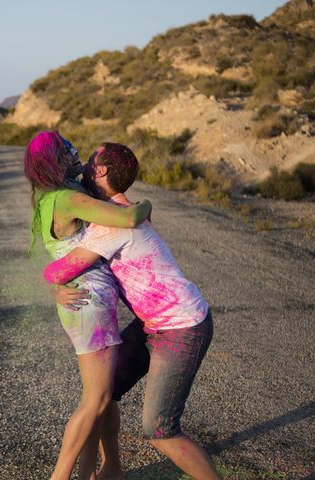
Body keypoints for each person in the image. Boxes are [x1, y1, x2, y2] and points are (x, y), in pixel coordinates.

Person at [43, 143, 221, 480]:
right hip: (151, 324)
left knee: (161, 429)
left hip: (182, 326)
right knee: (105, 390)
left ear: (102, 172)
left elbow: (57, 271)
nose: (84, 165)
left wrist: (55, 285)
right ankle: (112, 470)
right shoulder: (119, 212)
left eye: (91, 161)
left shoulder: (112, 226)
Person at [23, 131, 152, 480]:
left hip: (88, 302)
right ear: (55, 160)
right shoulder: (67, 198)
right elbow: (127, 218)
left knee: (105, 397)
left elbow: (58, 258)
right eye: (66, 149)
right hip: (88, 305)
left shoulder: (55, 196)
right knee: (95, 400)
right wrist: (147, 205)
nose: (74, 150)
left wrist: (54, 286)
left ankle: (106, 470)